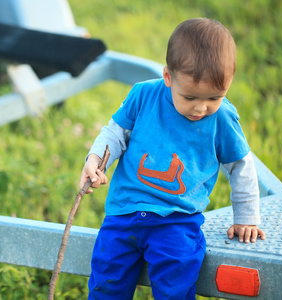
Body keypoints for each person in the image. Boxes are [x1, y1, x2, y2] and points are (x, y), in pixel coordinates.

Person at [79, 18, 266, 299]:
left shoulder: (222, 117)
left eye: (214, 97)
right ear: (168, 77)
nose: (201, 108)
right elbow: (114, 135)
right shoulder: (143, 95)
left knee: (176, 282)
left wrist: (247, 217)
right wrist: (96, 160)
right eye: (190, 97)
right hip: (124, 211)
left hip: (176, 220)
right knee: (107, 281)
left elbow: (241, 166)